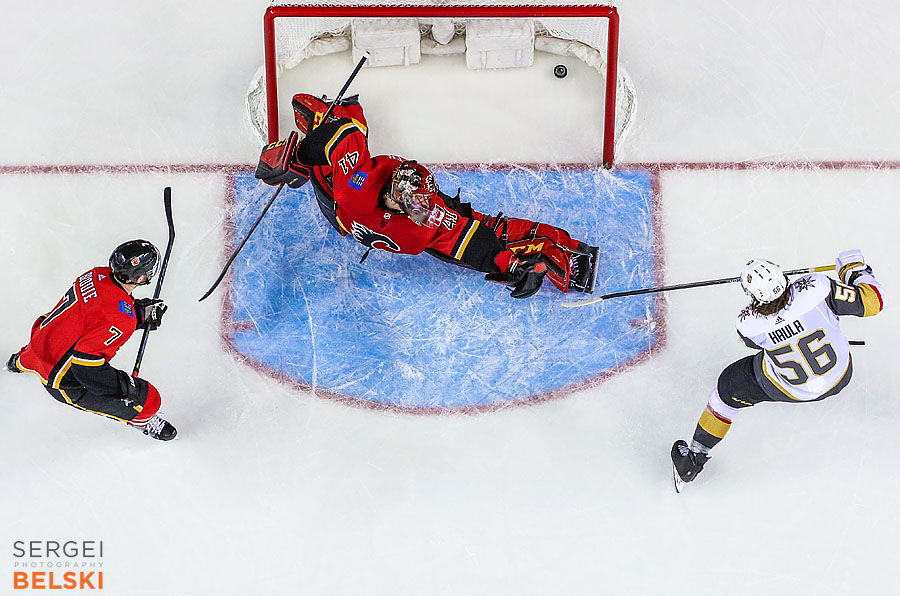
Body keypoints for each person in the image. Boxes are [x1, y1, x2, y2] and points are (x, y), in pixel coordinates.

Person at [253, 93, 600, 299]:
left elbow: (475, 241)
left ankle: (563, 255)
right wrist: (304, 152)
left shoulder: (420, 220)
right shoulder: (363, 181)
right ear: (393, 188)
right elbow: (346, 133)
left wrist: (295, 158)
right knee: (342, 129)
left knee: (325, 163)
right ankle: (330, 113)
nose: (417, 208)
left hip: (344, 218)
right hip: (352, 210)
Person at [671, 251, 886, 490]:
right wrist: (854, 271)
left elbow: (755, 342)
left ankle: (695, 458)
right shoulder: (818, 288)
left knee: (727, 391)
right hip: (840, 373)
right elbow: (874, 302)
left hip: (788, 388)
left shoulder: (747, 323)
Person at [6, 240, 176, 441]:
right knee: (148, 400)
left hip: (40, 342)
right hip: (61, 381)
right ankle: (143, 420)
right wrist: (125, 388)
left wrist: (137, 314)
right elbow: (86, 367)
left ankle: (17, 362)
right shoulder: (121, 318)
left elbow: (96, 311)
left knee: (43, 343)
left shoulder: (97, 274)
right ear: (139, 277)